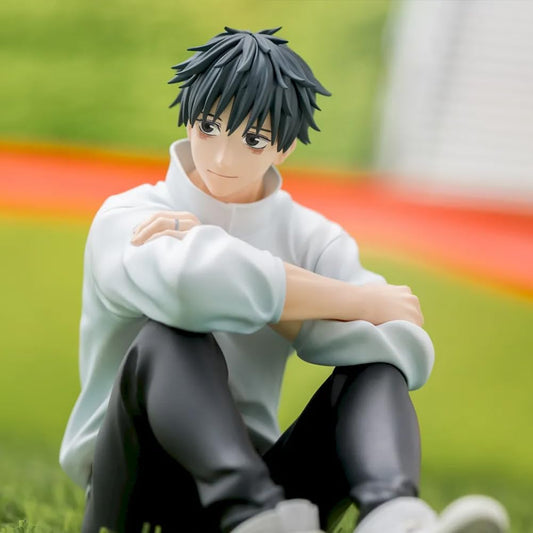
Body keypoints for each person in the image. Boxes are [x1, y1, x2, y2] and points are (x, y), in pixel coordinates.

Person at [59, 27, 509, 533]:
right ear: (187, 118)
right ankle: (254, 513)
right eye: (208, 127)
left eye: (253, 139)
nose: (222, 158)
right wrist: (351, 302)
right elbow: (186, 292)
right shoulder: (130, 215)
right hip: (140, 480)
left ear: (285, 146)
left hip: (266, 476)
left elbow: (403, 345)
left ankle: (394, 517)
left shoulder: (312, 237)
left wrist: (288, 310)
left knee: (372, 368)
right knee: (169, 335)